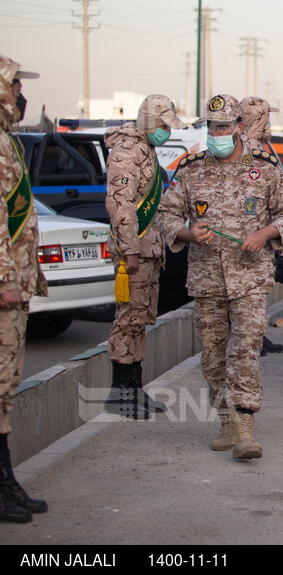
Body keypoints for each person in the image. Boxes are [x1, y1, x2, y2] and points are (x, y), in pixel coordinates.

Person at [156, 94, 283, 460]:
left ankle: (245, 430)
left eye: (224, 126)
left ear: (239, 127)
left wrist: (265, 234)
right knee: (212, 355)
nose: (218, 132)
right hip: (207, 280)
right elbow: (165, 215)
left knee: (245, 350)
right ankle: (224, 418)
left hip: (251, 279)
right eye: (212, 126)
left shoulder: (265, 167)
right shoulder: (191, 169)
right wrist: (189, 233)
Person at [103, 94, 187, 418]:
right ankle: (118, 392)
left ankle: (135, 389)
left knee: (141, 318)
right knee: (128, 318)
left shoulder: (146, 149)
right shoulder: (127, 151)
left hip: (148, 248)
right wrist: (130, 250)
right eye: (165, 126)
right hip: (133, 251)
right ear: (151, 122)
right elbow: (120, 205)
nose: (168, 132)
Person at [0, 55, 48, 523]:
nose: (20, 94)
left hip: (15, 288)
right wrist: (5, 281)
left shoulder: (8, 142)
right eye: (15, 85)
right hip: (3, 289)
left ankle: (5, 480)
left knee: (5, 388)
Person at [240, 96, 283, 357]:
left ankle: (258, 335)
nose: (269, 123)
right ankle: (251, 340)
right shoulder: (246, 150)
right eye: (266, 118)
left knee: (259, 292)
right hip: (249, 236)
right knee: (248, 294)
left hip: (265, 233)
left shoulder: (261, 147)